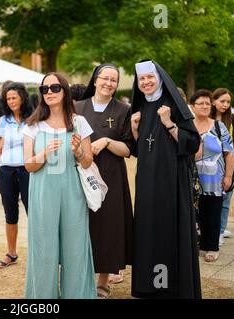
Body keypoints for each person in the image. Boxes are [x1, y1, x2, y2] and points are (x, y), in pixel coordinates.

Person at [130, 60, 201, 298]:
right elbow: (140, 149)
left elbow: (192, 144)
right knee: (149, 231)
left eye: (150, 77)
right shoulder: (139, 109)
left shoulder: (173, 105)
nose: (146, 82)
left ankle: (172, 288)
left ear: (159, 78)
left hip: (172, 181)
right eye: (142, 79)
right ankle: (150, 287)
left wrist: (169, 123)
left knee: (170, 230)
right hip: (147, 183)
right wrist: (135, 130)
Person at [23, 72, 97, 299]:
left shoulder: (79, 122)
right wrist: (43, 154)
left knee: (75, 249)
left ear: (64, 90)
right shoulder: (33, 126)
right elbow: (28, 165)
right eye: (44, 89)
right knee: (43, 250)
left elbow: (87, 162)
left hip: (73, 193)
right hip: (43, 194)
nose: (49, 93)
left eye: (54, 88)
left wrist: (78, 152)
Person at [75, 63, 133, 299]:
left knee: (108, 226)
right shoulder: (77, 107)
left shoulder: (123, 110)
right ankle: (81, 276)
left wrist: (107, 142)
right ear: (95, 80)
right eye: (105, 78)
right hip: (81, 173)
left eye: (114, 80)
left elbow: (129, 149)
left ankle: (103, 281)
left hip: (111, 174)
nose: (109, 83)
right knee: (82, 226)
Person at [192, 89, 234, 262]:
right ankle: (193, 245)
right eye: (200, 103)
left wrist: (228, 176)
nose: (204, 106)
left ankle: (211, 246)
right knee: (192, 214)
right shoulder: (186, 125)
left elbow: (229, 153)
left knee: (212, 212)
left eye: (207, 103)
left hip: (214, 180)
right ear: (192, 106)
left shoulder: (219, 126)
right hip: (191, 179)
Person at [0, 82, 33, 269]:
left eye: (14, 98)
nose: (10, 101)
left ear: (22, 98)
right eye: (8, 99)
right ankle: (11, 253)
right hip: (6, 171)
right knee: (10, 213)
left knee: (33, 212)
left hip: (27, 170)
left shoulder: (33, 119)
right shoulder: (3, 121)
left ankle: (37, 253)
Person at [210, 88, 234, 245]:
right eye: (222, 101)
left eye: (228, 102)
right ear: (213, 101)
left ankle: (220, 231)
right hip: (210, 165)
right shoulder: (206, 118)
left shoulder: (233, 120)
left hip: (229, 164)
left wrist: (231, 170)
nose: (225, 105)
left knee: (225, 200)